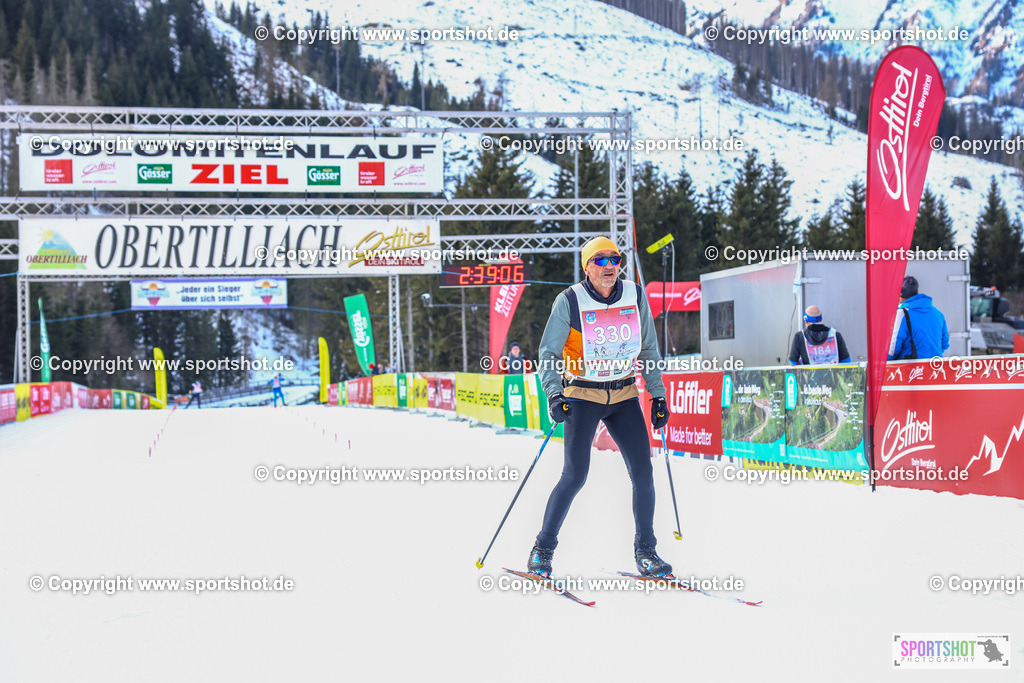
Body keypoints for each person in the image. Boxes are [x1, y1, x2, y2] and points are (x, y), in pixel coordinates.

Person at [528, 236, 672, 578]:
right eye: (600, 260)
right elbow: (548, 354)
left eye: (614, 259)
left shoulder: (635, 295)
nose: (609, 266)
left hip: (623, 396)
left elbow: (649, 348)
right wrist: (554, 394)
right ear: (587, 266)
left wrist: (658, 395)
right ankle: (542, 551)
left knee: (643, 473)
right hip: (583, 395)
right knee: (575, 475)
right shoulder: (569, 301)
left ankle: (646, 552)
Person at [889, 275, 950, 360]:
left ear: (900, 296)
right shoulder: (938, 313)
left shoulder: (902, 314)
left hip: (912, 370)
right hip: (935, 367)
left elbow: (893, 348)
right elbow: (944, 344)